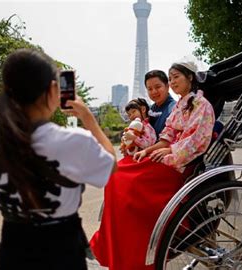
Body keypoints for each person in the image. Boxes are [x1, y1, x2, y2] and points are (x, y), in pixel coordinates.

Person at [0, 48, 116, 270]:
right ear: (54, 89)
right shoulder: (74, 141)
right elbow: (111, 165)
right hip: (61, 251)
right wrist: (88, 118)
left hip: (12, 248)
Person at [90, 61, 215, 269]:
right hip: (164, 157)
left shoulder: (201, 105)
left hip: (180, 163)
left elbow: (197, 140)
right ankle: (118, 247)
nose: (174, 81)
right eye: (172, 77)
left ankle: (135, 252)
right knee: (116, 174)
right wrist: (148, 150)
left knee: (125, 183)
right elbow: (166, 136)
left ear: (190, 77)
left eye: (176, 77)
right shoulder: (181, 105)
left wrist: (170, 150)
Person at [145, 70, 177, 137]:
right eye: (150, 89)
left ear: (167, 87)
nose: (154, 92)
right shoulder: (148, 110)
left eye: (158, 87)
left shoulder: (175, 109)